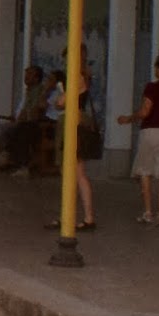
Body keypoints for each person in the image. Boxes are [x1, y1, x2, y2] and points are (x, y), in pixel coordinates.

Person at [118, 53, 159, 225]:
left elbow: (145, 111)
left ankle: (148, 212)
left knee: (145, 171)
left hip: (152, 131)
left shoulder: (151, 88)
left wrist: (128, 118)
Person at [45, 62, 99, 231]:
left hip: (72, 124)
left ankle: (81, 216)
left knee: (75, 172)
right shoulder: (83, 79)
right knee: (75, 172)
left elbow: (61, 102)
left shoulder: (77, 79)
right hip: (75, 123)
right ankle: (75, 215)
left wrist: (61, 94)